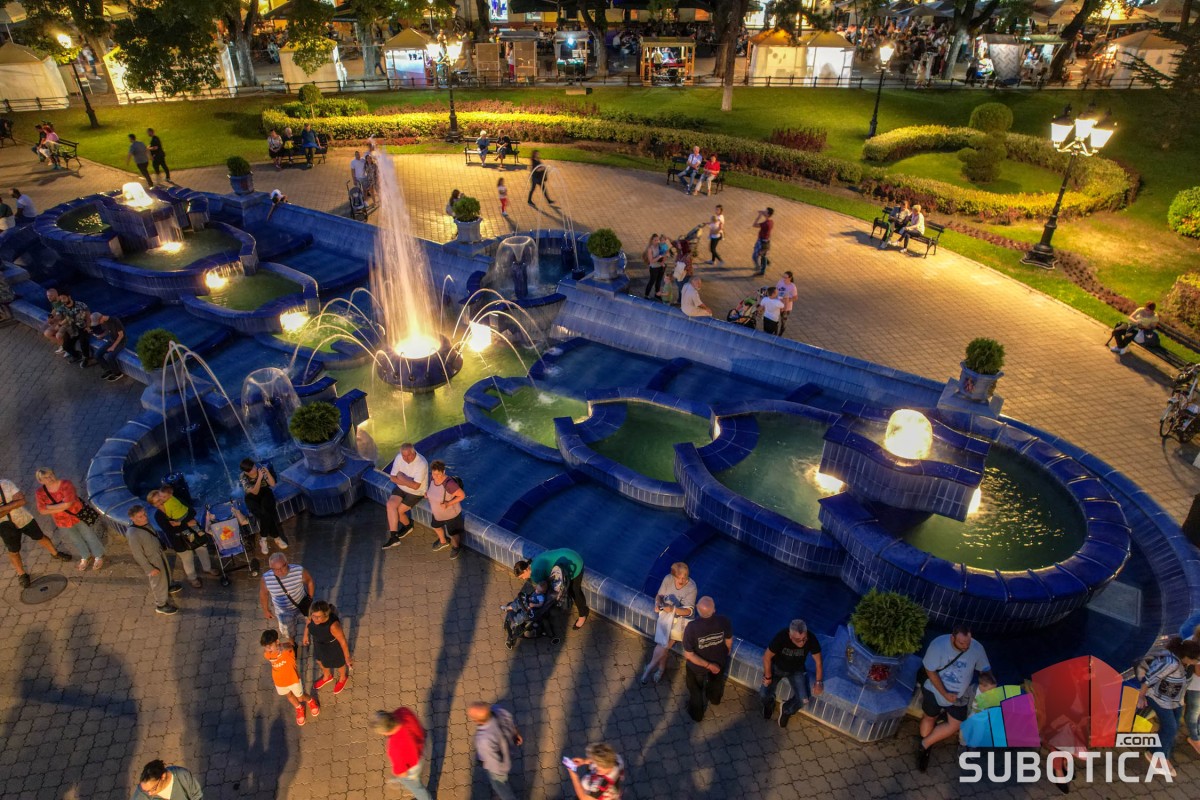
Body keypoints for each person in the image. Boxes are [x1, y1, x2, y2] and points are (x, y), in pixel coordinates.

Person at [916, 624, 997, 772]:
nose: (966, 647)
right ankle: (925, 750)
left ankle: (924, 744)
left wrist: (989, 685)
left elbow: (985, 670)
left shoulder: (976, 648)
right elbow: (930, 672)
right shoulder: (938, 645)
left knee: (956, 724)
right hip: (934, 690)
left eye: (968, 642)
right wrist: (945, 694)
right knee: (930, 717)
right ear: (952, 638)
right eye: (962, 643)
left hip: (959, 696)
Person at [1138, 636, 1200, 775]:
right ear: (1188, 657)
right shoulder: (1170, 663)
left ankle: (1158, 752)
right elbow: (1149, 679)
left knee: (1173, 727)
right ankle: (1158, 756)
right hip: (1159, 699)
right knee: (1170, 728)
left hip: (1175, 700)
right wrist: (1141, 696)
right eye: (1197, 659)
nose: (1198, 662)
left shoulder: (1185, 664)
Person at [1, 475, 71, 588]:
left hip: (24, 518)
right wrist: (13, 504)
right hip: (4, 526)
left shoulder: (6, 484)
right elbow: (18, 502)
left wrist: (3, 508)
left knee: (40, 536)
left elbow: (22, 501)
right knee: (13, 551)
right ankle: (21, 574)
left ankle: (55, 553)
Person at [34, 468, 105, 572]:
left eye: (51, 475)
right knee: (75, 539)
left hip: (77, 515)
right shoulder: (40, 492)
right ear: (40, 481)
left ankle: (98, 555)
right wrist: (61, 506)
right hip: (62, 521)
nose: (50, 478)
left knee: (89, 535)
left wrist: (49, 507)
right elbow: (41, 510)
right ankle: (85, 556)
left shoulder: (66, 484)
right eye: (45, 477)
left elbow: (68, 504)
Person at [640, 562, 697, 685]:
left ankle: (649, 668)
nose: (681, 581)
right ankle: (661, 669)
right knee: (663, 646)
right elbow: (659, 595)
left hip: (680, 621)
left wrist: (673, 609)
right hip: (666, 618)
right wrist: (657, 604)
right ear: (673, 576)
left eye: (684, 577)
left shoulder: (692, 587)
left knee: (663, 645)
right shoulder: (668, 579)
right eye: (678, 578)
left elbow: (689, 611)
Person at [760, 619, 824, 728]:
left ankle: (786, 709)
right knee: (763, 694)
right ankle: (769, 704)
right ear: (790, 636)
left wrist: (818, 682)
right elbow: (766, 657)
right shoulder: (781, 637)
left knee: (804, 700)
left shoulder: (811, 638)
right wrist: (768, 676)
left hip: (797, 670)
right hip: (777, 668)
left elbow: (818, 662)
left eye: (804, 639)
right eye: (798, 640)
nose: (802, 642)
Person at [148, 487, 214, 588]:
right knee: (187, 559)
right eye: (156, 502)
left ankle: (208, 568)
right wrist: (186, 524)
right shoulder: (159, 516)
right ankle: (192, 578)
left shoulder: (175, 501)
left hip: (194, 533)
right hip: (179, 541)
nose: (160, 502)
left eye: (160, 498)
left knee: (202, 550)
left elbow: (192, 512)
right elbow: (170, 530)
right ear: (153, 505)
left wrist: (180, 523)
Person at [682, 596, 733, 722]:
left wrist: (708, 665)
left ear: (697, 609)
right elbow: (729, 642)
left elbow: (689, 655)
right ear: (714, 610)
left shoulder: (691, 627)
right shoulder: (724, 621)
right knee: (716, 682)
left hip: (698, 667)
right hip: (719, 661)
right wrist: (723, 655)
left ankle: (696, 714)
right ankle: (714, 699)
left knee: (695, 690)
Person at [514, 547, 589, 630]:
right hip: (569, 554)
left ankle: (583, 615)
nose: (523, 579)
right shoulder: (532, 563)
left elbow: (544, 590)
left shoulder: (535, 574)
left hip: (574, 563)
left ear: (525, 570)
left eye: (522, 577)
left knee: (575, 591)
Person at [125, 505, 182, 615]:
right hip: (152, 560)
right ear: (133, 518)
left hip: (158, 553)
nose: (145, 517)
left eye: (144, 514)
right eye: (140, 516)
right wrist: (149, 569)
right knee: (157, 582)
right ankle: (161, 605)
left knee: (166, 572)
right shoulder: (133, 534)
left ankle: (168, 586)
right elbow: (138, 554)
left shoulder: (145, 524)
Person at [261, 629, 318, 726]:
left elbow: (290, 646)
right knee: (289, 696)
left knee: (301, 698)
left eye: (270, 645)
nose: (268, 649)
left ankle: (310, 701)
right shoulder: (267, 654)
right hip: (279, 682)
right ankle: (299, 708)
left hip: (293, 680)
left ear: (277, 642)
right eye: (266, 647)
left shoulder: (287, 650)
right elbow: (268, 652)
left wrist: (281, 647)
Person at [468, 701, 523, 800]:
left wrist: (486, 765)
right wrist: (516, 734)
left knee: (502, 788)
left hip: (499, 768)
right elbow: (510, 722)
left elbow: (492, 761)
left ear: (477, 720)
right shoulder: (499, 710)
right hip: (510, 750)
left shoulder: (484, 739)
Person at [372, 708, 432, 799]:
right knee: (417, 780)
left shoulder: (395, 747)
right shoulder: (403, 712)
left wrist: (403, 779)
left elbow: (402, 773)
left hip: (413, 767)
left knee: (417, 788)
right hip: (422, 749)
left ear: (385, 732)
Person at [382, 443, 429, 549]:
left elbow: (416, 486)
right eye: (404, 456)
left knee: (399, 511)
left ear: (414, 452)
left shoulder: (422, 463)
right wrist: (407, 481)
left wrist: (401, 477)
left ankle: (408, 526)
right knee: (390, 505)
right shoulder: (399, 458)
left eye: (408, 455)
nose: (406, 459)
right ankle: (393, 537)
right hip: (401, 488)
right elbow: (392, 477)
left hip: (416, 493)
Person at [260, 553, 314, 640]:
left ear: (287, 563)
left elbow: (309, 581)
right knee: (288, 632)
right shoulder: (266, 579)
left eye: (282, 567)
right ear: (271, 568)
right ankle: (292, 643)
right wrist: (265, 610)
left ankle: (307, 635)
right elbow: (264, 594)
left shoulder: (298, 571)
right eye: (276, 569)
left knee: (310, 622)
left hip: (302, 604)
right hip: (283, 612)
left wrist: (310, 599)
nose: (280, 571)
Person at [239, 459, 288, 555]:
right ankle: (276, 537)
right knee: (265, 514)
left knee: (266, 511)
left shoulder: (260, 470)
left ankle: (263, 538)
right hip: (252, 497)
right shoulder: (243, 476)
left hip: (265, 492)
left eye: (254, 466)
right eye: (252, 469)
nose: (254, 469)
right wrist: (259, 478)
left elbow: (272, 484)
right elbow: (255, 492)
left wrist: (267, 473)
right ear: (246, 472)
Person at [304, 600, 351, 694]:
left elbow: (343, 642)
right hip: (318, 643)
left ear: (325, 615)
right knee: (319, 661)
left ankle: (343, 677)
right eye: (313, 616)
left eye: (318, 617)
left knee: (339, 663)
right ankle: (327, 676)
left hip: (332, 646)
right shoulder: (312, 617)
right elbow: (308, 623)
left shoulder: (333, 626)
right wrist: (305, 635)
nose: (315, 619)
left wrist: (347, 657)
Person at [426, 460, 465, 560]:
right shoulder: (432, 478)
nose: (436, 476)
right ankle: (443, 541)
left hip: (451, 514)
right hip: (437, 513)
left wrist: (448, 503)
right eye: (434, 473)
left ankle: (456, 547)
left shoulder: (449, 484)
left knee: (453, 533)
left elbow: (462, 495)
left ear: (443, 472)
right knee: (435, 526)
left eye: (438, 474)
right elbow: (433, 490)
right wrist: (428, 494)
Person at [131, 759, 204, 799]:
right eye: (146, 791)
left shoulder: (182, 776)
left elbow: (197, 796)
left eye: (153, 789)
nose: (149, 794)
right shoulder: (142, 791)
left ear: (163, 776)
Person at [57, 290, 92, 365]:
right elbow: (59, 319)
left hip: (82, 327)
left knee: (83, 341)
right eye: (61, 299)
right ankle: (77, 356)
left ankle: (86, 358)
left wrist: (88, 326)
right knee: (66, 346)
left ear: (69, 297)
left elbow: (88, 317)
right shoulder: (62, 308)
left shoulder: (81, 305)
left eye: (64, 298)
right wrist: (61, 322)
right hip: (71, 329)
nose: (62, 301)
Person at [91, 311, 127, 382]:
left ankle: (118, 374)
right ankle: (109, 369)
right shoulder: (104, 322)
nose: (99, 324)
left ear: (101, 318)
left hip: (121, 342)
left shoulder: (115, 320)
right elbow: (107, 330)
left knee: (110, 357)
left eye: (98, 322)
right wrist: (101, 336)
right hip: (111, 341)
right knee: (97, 355)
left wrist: (113, 347)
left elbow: (121, 335)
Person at [751, 208, 774, 276]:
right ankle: (766, 262)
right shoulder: (771, 222)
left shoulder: (766, 224)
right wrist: (763, 213)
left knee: (755, 256)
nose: (764, 212)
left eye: (765, 212)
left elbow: (754, 225)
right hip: (765, 241)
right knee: (763, 254)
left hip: (762, 242)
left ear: (768, 214)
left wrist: (759, 216)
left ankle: (760, 269)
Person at [643, 234, 666, 301]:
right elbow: (651, 261)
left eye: (658, 240)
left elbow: (664, 254)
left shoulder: (660, 246)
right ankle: (646, 295)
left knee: (659, 282)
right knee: (652, 281)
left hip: (661, 266)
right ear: (652, 240)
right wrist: (659, 257)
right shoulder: (650, 249)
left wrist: (663, 261)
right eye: (655, 240)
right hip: (654, 268)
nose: (657, 241)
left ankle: (657, 295)